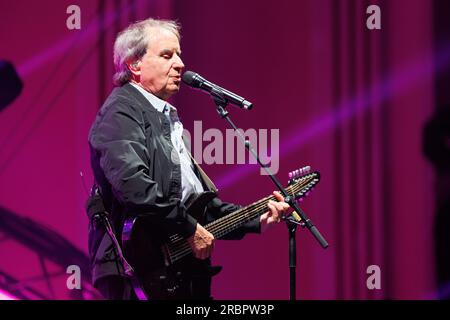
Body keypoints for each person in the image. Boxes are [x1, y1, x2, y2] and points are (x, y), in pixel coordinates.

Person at [87, 18, 289, 300]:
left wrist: (257, 218)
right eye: (167, 55)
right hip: (136, 270)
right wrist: (188, 228)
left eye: (179, 54)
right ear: (134, 65)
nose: (180, 64)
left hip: (179, 273)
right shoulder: (121, 112)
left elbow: (194, 204)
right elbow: (134, 186)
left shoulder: (166, 120)